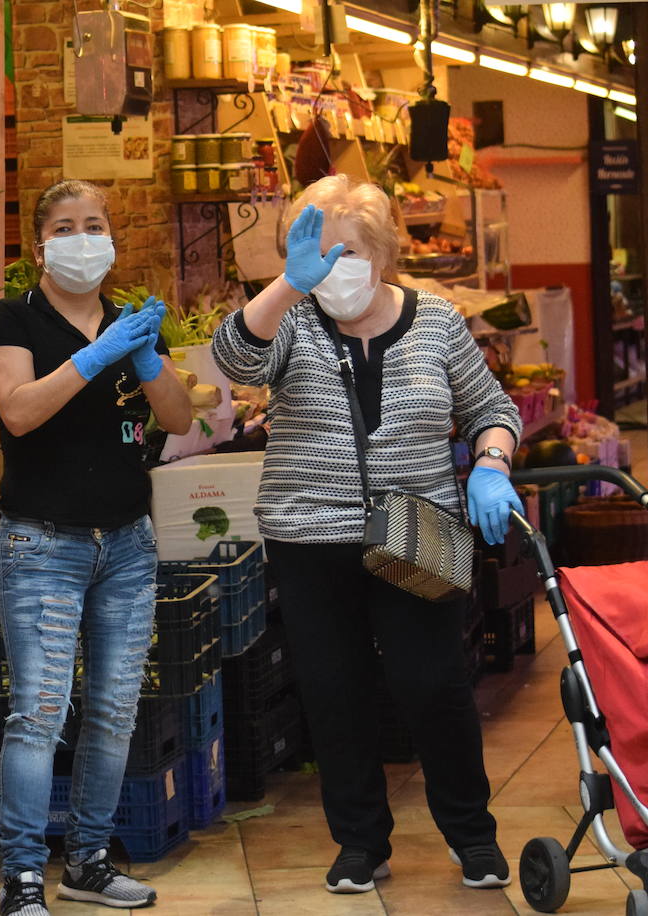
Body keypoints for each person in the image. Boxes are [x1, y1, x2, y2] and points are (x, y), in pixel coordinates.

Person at [211, 175, 525, 894]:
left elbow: (491, 408)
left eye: (347, 252)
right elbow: (232, 359)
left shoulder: (438, 321)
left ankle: (471, 834)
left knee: (434, 685)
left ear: (382, 253)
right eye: (318, 253)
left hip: (417, 537)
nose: (333, 268)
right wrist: (289, 286)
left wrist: (491, 463)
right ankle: (359, 842)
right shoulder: (292, 317)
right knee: (334, 690)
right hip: (310, 537)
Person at [0, 180, 193, 915]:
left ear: (111, 240)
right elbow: (20, 410)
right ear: (39, 246)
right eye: (64, 226)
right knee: (38, 712)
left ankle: (90, 862)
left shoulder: (134, 325)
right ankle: (23, 877)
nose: (81, 237)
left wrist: (152, 361)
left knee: (113, 711)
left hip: (127, 544)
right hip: (42, 544)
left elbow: (180, 418)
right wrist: (99, 356)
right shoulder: (11, 319)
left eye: (93, 224)